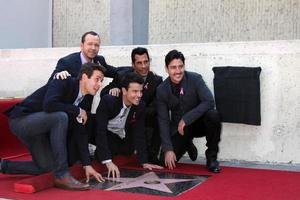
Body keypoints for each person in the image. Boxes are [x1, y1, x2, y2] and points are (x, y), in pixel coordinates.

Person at [0, 63, 106, 190]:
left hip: (39, 132)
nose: (99, 84)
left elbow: (80, 130)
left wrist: (87, 164)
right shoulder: (64, 81)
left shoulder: (87, 98)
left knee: (47, 167)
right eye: (97, 79)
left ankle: (3, 165)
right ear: (84, 77)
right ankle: (62, 175)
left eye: (102, 81)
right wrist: (77, 110)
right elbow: (49, 105)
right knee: (60, 117)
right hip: (22, 120)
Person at [156, 50, 222, 173]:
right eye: (173, 67)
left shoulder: (195, 79)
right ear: (166, 69)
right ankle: (187, 143)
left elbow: (209, 101)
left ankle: (212, 158)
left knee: (213, 115)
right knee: (165, 163)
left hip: (198, 124)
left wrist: (186, 118)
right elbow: (163, 120)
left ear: (184, 66)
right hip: (180, 130)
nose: (178, 71)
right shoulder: (161, 90)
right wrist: (168, 149)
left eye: (180, 66)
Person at [100, 47, 163, 164]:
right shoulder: (122, 76)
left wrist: (137, 111)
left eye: (146, 62)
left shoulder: (157, 80)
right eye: (139, 63)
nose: (143, 66)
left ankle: (152, 155)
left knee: (160, 117)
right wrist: (113, 88)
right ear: (133, 64)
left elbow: (155, 106)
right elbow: (104, 94)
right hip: (122, 120)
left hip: (144, 116)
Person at [95, 72, 163, 178]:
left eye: (141, 91)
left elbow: (139, 133)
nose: (139, 95)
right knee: (102, 154)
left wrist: (144, 162)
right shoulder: (108, 101)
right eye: (135, 91)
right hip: (105, 134)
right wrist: (108, 161)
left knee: (128, 150)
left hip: (121, 135)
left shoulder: (140, 105)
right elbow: (100, 131)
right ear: (124, 91)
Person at [49, 31, 117, 80]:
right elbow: (51, 82)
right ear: (82, 45)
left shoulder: (99, 60)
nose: (93, 48)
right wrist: (58, 76)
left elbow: (116, 72)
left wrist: (114, 86)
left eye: (96, 45)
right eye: (90, 44)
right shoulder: (67, 62)